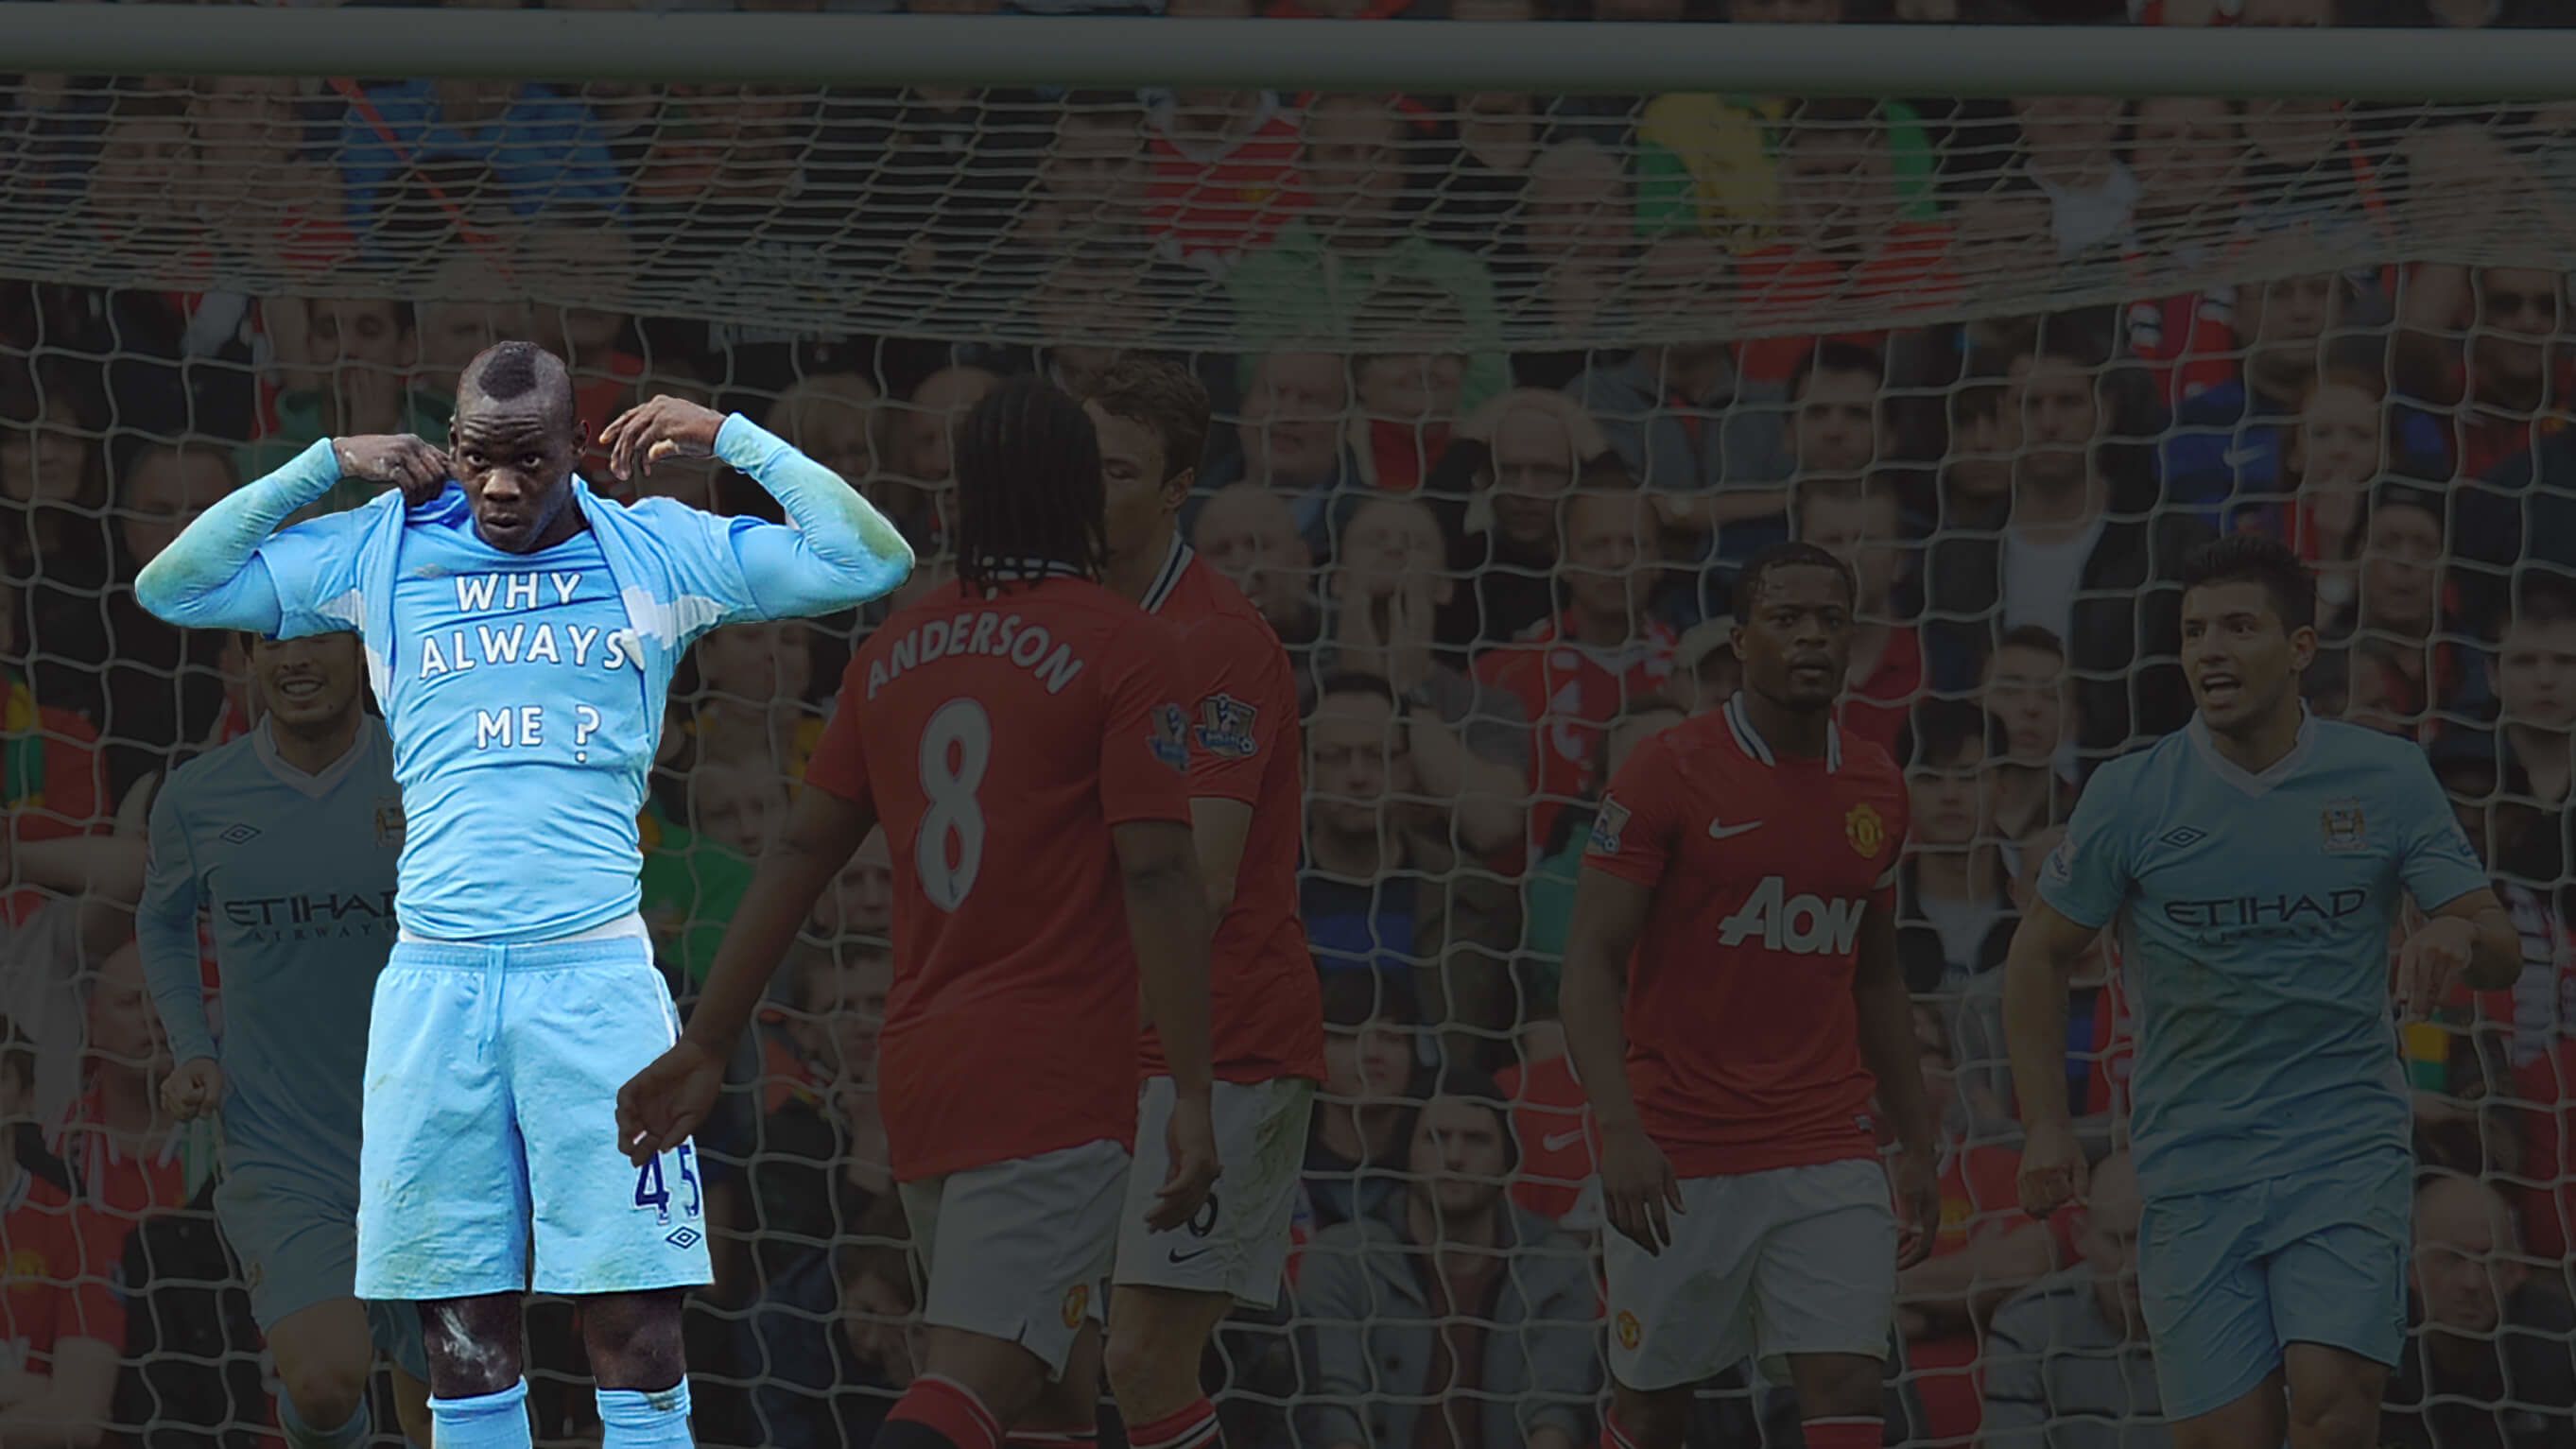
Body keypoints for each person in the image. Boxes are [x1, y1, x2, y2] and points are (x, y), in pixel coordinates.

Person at [131, 338, 915, 1449]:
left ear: (578, 452)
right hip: (437, 992)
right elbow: (174, 585)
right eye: (476, 459)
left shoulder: (654, 549)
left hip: (594, 986)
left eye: (529, 462)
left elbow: (867, 560)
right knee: (461, 1340)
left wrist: (723, 436)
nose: (500, 486)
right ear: (448, 451)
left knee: (636, 1335)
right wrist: (326, 461)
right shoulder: (386, 548)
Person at [613, 376, 1221, 1449]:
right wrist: (1193, 1091)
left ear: (962, 498)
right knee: (969, 1387)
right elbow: (1161, 875)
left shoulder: (899, 646)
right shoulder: (1127, 647)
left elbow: (802, 846)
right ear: (1081, 492)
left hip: (922, 1069)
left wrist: (709, 1039)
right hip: (1056, 1076)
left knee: (1052, 1401)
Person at [2004, 534, 2521, 1449]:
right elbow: (2038, 955)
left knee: (2331, 1401)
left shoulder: (2385, 777)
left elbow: (2498, 946)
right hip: (2194, 1159)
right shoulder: (2132, 795)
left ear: (2298, 649)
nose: (2208, 648)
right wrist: (2045, 1121)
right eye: (2194, 629)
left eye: (2238, 626)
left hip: (2343, 1148)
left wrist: (2450, 929)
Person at [1559, 540, 1938, 1449]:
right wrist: (1618, 1127)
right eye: (1785, 618)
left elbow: (1877, 975)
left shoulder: (1877, 784)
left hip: (1824, 1142)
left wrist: (1918, 1138)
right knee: (1652, 1408)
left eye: (1830, 619)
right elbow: (1589, 962)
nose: (1811, 637)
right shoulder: (1666, 770)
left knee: (1849, 1376)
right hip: (1681, 1149)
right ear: (1740, 640)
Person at [1077, 358, 1325, 1449]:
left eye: (1117, 470)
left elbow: (1206, 878)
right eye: (1073, 464)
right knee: (1055, 1353)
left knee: (1141, 1357)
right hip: (1089, 1042)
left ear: (1177, 487)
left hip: (1226, 1048)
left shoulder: (1219, 641)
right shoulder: (1058, 622)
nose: (1087, 489)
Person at [138, 630, 432, 1449]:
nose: (292, 659)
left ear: (364, 646)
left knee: (436, 1415)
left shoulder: (430, 770)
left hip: (434, 1139)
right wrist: (193, 1047)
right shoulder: (199, 797)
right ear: (246, 658)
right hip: (282, 1146)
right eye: (269, 642)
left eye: (315, 638)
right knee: (327, 1381)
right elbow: (160, 919)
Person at [1978, 1151, 2167, 1449]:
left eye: (2151, 1240)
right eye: (2117, 1241)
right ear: (2081, 1236)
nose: (2134, 1263)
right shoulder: (2026, 1326)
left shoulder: (2215, 1318)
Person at [0, 1015, 126, 1449]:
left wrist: (58, 1399)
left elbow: (79, 1419)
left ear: (28, 1098)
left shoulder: (78, 1227)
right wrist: (35, 1389)